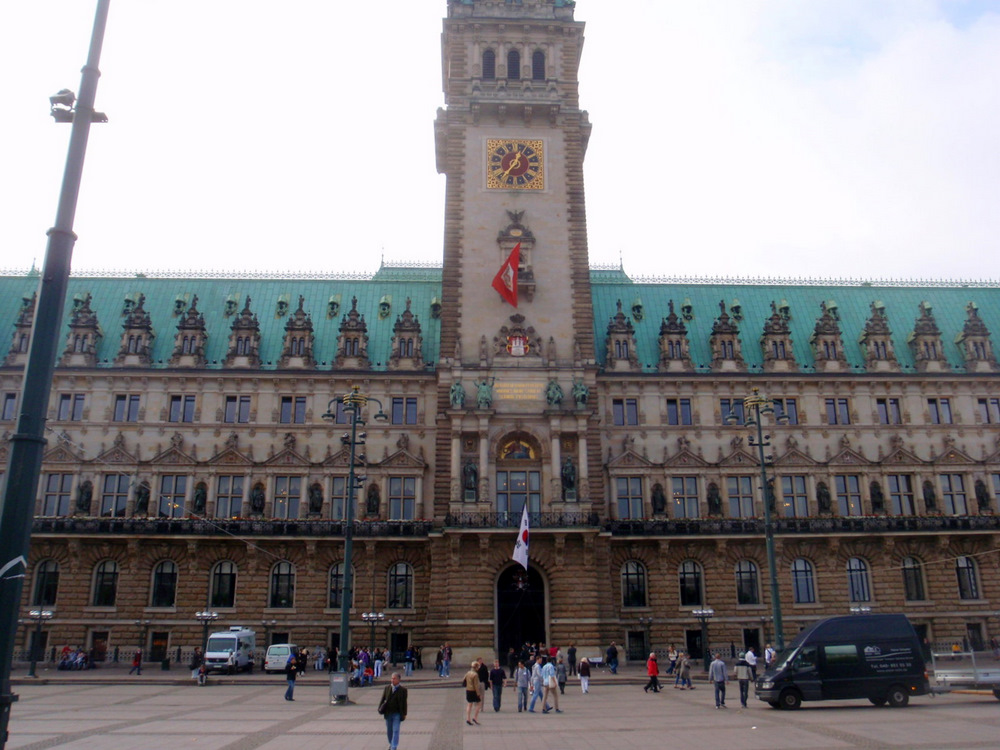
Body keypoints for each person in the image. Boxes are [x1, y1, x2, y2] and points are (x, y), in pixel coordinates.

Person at [378, 672, 407, 750]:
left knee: (396, 730)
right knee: (389, 731)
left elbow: (404, 703)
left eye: (394, 678)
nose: (392, 680)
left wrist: (404, 713)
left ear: (398, 680)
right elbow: (383, 699)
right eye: (392, 678)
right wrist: (380, 709)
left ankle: (394, 747)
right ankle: (391, 743)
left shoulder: (403, 690)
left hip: (397, 713)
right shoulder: (387, 688)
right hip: (388, 713)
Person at [474, 657, 490, 721]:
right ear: (477, 661)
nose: (481, 661)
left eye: (481, 660)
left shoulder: (484, 667)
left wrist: (486, 683)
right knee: (476, 694)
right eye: (480, 660)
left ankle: (481, 707)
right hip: (476, 682)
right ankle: (476, 706)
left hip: (482, 682)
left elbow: (486, 675)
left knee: (482, 695)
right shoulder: (475, 667)